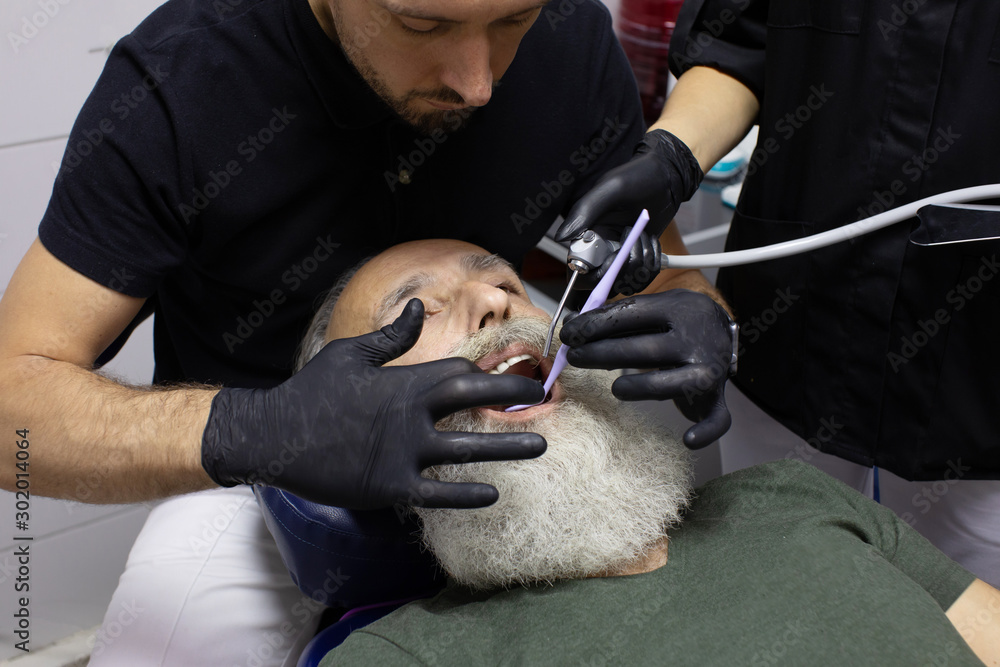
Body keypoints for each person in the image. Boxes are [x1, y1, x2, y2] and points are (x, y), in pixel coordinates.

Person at [0, 0, 735, 663]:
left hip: (515, 465)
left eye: (513, 22)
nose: (478, 82)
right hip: (270, 479)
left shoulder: (569, 41)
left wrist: (710, 319)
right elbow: (11, 411)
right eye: (424, 24)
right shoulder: (181, 83)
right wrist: (262, 428)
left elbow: (665, 276)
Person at [283, 238, 1000, 666]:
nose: (496, 303)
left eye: (505, 281)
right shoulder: (400, 658)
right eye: (417, 312)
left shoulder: (793, 496)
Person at [553, 0, 1000, 586]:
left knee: (966, 613)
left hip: (979, 380)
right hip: (795, 334)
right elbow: (739, 43)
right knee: (764, 576)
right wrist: (673, 157)